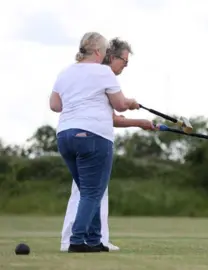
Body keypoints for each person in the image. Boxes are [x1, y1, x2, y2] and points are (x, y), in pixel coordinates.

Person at [59, 38, 155, 252]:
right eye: (125, 61)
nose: (125, 66)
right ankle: (75, 240)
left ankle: (95, 240)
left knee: (91, 192)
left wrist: (139, 123)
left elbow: (57, 105)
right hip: (93, 138)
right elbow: (119, 107)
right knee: (91, 193)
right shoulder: (104, 74)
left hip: (66, 135)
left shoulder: (72, 73)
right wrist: (130, 105)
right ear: (108, 55)